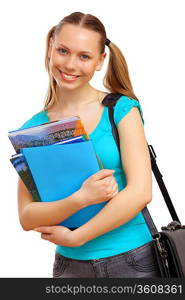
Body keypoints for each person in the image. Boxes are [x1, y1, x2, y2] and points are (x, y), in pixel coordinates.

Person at [17, 11, 161, 278]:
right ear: (50, 49)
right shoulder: (32, 131)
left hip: (134, 261)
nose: (71, 64)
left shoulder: (120, 110)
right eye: (63, 50)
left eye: (84, 56)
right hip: (70, 268)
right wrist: (80, 199)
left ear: (100, 61)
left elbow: (141, 192)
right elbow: (27, 216)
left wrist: (78, 236)